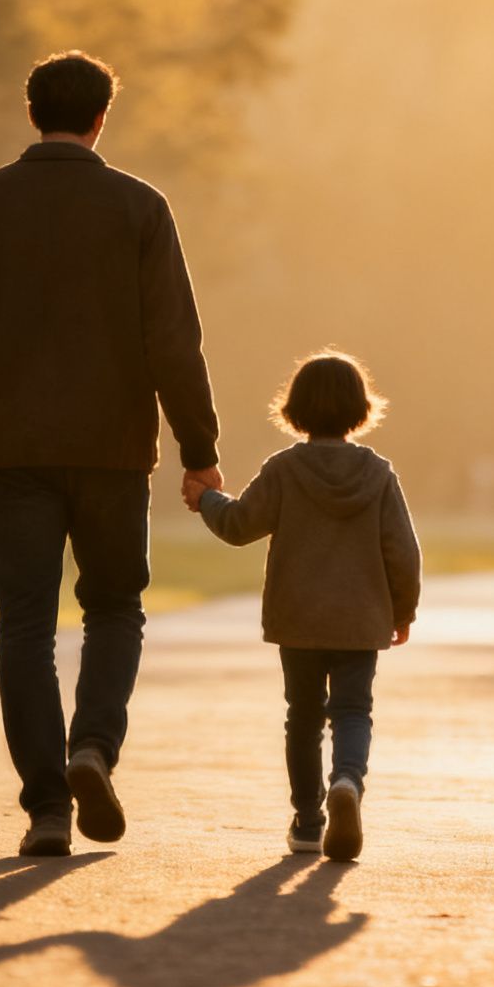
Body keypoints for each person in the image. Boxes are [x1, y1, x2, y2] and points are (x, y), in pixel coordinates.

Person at [0, 51, 224, 858]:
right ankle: (93, 747)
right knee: (114, 608)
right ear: (100, 119)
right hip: (115, 450)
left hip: (12, 448)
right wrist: (200, 448)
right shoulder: (139, 208)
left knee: (23, 625)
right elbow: (173, 343)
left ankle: (47, 808)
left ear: (32, 114)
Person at [185, 352, 420, 862]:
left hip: (299, 618)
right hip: (361, 620)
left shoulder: (285, 470)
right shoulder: (378, 474)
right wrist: (402, 611)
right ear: (361, 408)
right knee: (354, 710)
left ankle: (309, 822)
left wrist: (206, 498)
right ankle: (347, 783)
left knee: (304, 717)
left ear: (295, 409)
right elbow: (403, 552)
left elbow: (240, 524)